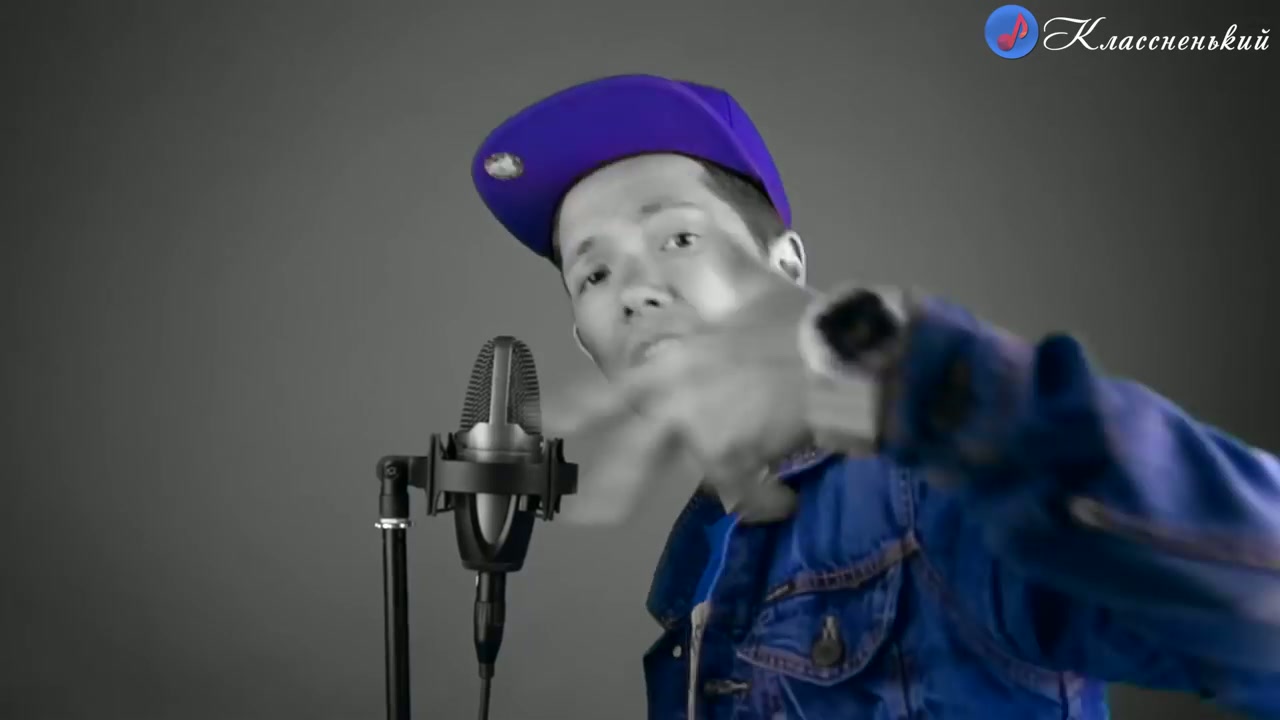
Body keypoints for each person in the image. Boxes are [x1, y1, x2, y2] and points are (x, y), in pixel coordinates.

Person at [470, 74, 1280, 719]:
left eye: (677, 237)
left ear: (787, 267)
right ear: (584, 340)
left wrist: (925, 380)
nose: (635, 289)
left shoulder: (931, 491)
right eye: (594, 272)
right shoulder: (693, 577)